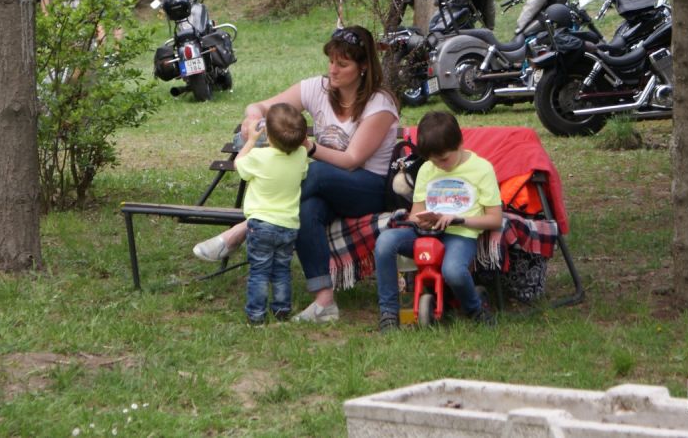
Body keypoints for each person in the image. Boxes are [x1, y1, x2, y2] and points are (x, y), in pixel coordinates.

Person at [194, 26, 400, 324]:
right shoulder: (317, 88)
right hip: (325, 188)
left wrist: (309, 147)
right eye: (331, 61)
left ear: (364, 67)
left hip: (365, 188)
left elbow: (353, 160)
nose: (333, 70)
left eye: (342, 64)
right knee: (305, 209)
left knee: (314, 172)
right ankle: (324, 302)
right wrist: (253, 118)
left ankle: (241, 229)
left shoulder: (380, 104)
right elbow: (262, 105)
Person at [373, 111, 502, 333]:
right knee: (385, 242)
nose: (440, 165)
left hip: (460, 233)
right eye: (434, 160)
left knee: (453, 270)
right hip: (428, 233)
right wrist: (420, 222)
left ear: (460, 143)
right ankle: (389, 313)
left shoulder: (481, 169)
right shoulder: (426, 169)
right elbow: (416, 213)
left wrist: (459, 219)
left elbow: (495, 219)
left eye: (444, 159)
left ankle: (475, 309)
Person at [223, 103, 309, 325]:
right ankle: (281, 310)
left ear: (268, 134)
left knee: (259, 271)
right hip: (289, 225)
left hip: (261, 225)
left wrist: (250, 141)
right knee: (281, 269)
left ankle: (256, 315)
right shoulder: (300, 155)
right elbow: (303, 167)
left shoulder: (259, 158)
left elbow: (238, 165)